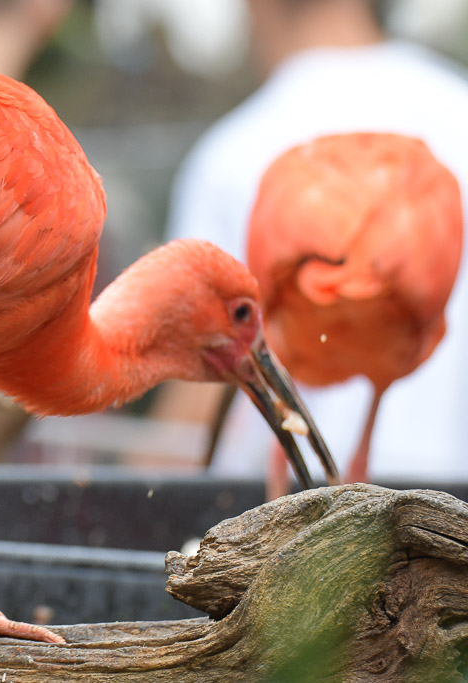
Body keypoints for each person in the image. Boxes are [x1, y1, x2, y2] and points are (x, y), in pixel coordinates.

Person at [161, 0, 468, 482]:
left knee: (280, 459)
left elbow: (187, 423)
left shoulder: (232, 153)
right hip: (452, 515)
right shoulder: (461, 111)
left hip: (280, 518)